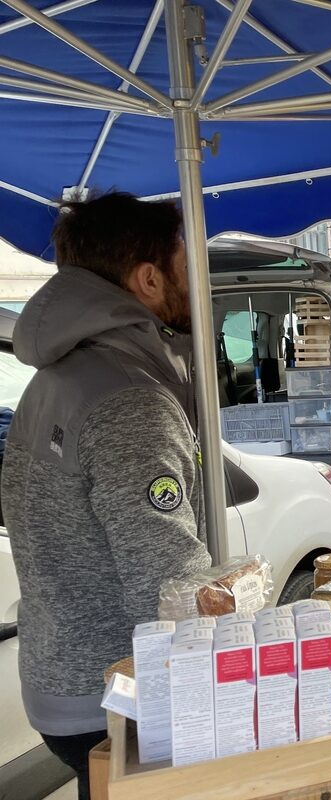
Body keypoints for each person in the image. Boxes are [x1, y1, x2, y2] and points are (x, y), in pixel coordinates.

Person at [1, 192, 211, 798]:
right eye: (184, 265)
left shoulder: (58, 376)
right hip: (119, 692)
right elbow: (168, 578)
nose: (196, 283)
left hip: (60, 675)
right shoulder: (131, 398)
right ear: (147, 278)